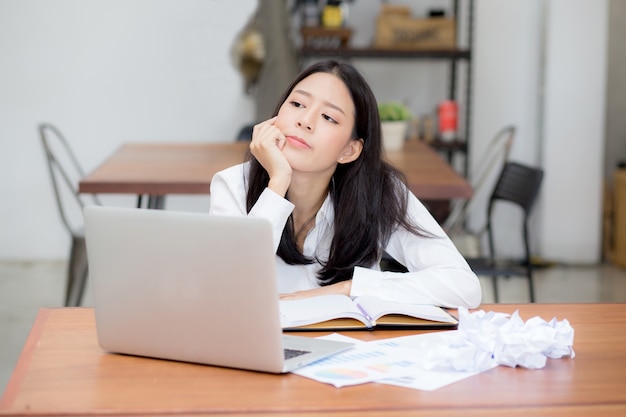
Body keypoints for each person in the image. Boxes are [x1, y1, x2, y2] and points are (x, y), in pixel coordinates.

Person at [209, 59, 481, 309]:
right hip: (265, 352)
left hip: (352, 353)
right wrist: (278, 183)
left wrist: (349, 289)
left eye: (329, 117)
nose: (305, 121)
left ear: (349, 150)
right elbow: (226, 291)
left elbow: (463, 286)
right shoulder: (233, 186)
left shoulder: (380, 190)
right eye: (297, 105)